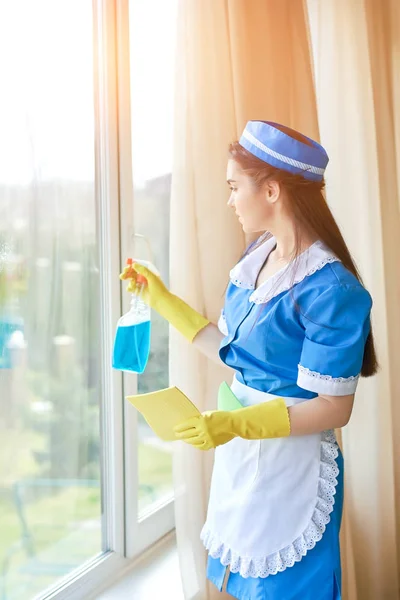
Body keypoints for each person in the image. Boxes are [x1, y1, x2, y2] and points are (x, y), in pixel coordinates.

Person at [120, 120, 378, 600]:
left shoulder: (332, 290)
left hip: (292, 467)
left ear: (273, 190)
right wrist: (161, 299)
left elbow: (333, 408)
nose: (230, 200)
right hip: (244, 457)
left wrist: (237, 425)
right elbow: (232, 351)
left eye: (235, 187)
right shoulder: (258, 257)